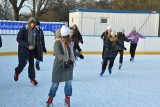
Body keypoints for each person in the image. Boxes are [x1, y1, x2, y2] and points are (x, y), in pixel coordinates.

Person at [46, 25, 83, 107]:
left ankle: (67, 98)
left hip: (68, 66)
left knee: (68, 83)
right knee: (55, 84)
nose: (68, 36)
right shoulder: (57, 42)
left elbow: (72, 50)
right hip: (59, 66)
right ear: (63, 35)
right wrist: (67, 59)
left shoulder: (69, 42)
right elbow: (57, 54)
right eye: (67, 35)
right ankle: (50, 98)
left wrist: (79, 55)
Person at [14, 17, 43, 85]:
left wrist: (42, 48)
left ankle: (32, 78)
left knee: (31, 65)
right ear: (29, 22)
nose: (32, 24)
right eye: (31, 22)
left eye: (34, 23)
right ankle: (17, 71)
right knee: (22, 63)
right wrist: (27, 45)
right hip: (23, 49)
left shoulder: (36, 30)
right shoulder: (24, 29)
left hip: (32, 50)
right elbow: (18, 39)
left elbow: (39, 40)